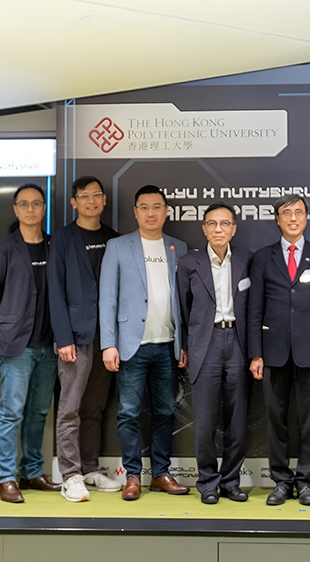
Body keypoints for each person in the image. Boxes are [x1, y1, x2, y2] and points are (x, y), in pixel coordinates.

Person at [99, 185, 189, 501]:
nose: (151, 213)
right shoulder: (118, 247)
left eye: (157, 207)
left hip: (167, 344)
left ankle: (161, 474)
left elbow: (185, 303)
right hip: (129, 345)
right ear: (135, 211)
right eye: (144, 207)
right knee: (128, 412)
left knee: (165, 411)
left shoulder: (180, 248)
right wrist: (108, 343)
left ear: (166, 211)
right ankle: (133, 476)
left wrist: (184, 342)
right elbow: (107, 298)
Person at [248, 193, 310, 507]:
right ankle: (281, 481)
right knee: (276, 419)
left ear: (307, 217)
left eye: (299, 212)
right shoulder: (263, 257)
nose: (293, 218)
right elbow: (255, 308)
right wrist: (255, 353)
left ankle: (306, 481)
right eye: (286, 213)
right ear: (277, 219)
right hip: (273, 352)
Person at [0, 184, 61, 503]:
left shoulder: (55, 246)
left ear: (44, 208)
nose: (30, 209)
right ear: (15, 210)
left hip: (50, 344)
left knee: (38, 412)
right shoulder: (4, 249)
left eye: (36, 204)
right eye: (24, 204)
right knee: (11, 411)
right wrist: (4, 331)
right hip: (17, 346)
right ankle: (5, 477)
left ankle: (32, 472)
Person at [48, 175, 122, 501]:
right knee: (69, 409)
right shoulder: (62, 239)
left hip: (105, 337)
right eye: (84, 196)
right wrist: (63, 337)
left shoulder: (114, 239)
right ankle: (70, 475)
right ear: (74, 202)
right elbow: (55, 290)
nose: (91, 201)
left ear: (104, 201)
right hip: (74, 338)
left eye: (97, 195)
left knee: (95, 407)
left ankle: (90, 469)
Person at [177, 203, 253, 504]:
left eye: (225, 224)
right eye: (212, 224)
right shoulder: (188, 263)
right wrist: (188, 344)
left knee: (237, 419)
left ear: (233, 228)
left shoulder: (248, 260)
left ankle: (231, 481)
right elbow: (183, 309)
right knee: (205, 419)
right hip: (204, 343)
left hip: (237, 341)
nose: (219, 229)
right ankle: (207, 481)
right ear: (204, 229)